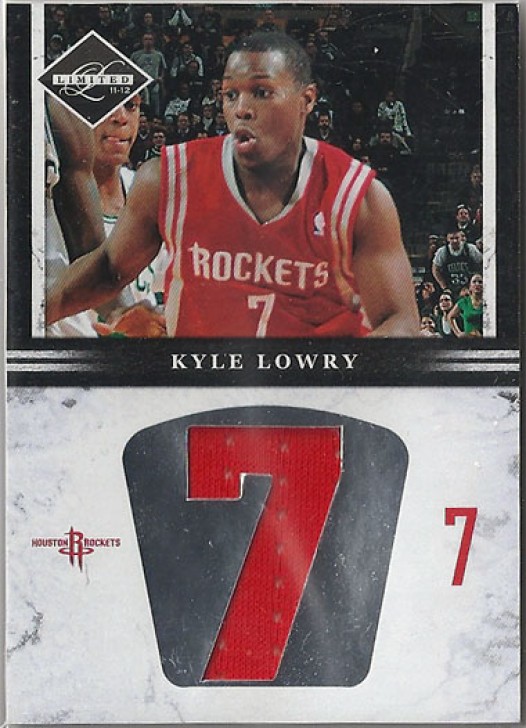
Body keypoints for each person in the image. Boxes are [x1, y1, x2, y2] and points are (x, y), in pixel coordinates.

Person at [47, 32, 419, 338]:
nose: (241, 108)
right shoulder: (167, 178)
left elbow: (400, 321)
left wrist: (330, 382)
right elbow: (108, 269)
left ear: (306, 100)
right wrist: (30, 317)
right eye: (230, 95)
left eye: (261, 92)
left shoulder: (359, 197)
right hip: (200, 386)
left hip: (310, 390)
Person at [431, 230, 482, 298]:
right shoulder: (442, 251)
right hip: (450, 286)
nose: (455, 241)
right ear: (447, 239)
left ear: (461, 238)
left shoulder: (470, 248)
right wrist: (444, 287)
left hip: (469, 286)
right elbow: (435, 270)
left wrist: (472, 285)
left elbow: (482, 264)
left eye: (457, 238)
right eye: (452, 238)